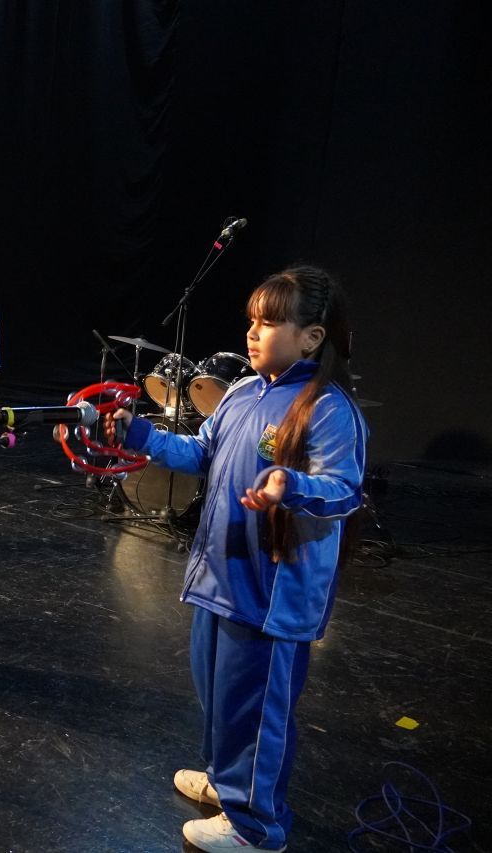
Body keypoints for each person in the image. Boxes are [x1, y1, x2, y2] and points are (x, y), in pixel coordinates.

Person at [107, 266, 367, 852]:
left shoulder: (327, 408)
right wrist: (139, 436)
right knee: (220, 696)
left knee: (256, 710)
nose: (252, 333)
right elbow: (199, 453)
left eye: (270, 322)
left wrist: (289, 485)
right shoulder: (244, 392)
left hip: (272, 596)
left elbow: (345, 490)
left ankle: (257, 826)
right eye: (251, 320)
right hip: (220, 581)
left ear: (312, 337)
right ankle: (230, 783)